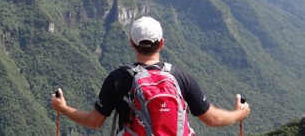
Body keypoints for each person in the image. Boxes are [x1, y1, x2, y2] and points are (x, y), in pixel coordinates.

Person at [51, 16, 251, 133]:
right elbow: (213, 119)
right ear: (162, 43)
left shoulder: (118, 79)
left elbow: (94, 122)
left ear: (131, 42)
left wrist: (63, 108)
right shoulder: (181, 78)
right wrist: (238, 113)